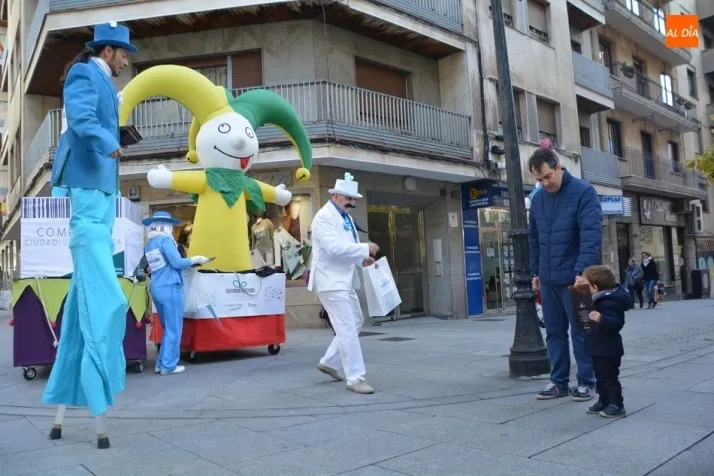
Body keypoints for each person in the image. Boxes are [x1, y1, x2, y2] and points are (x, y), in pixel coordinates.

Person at [41, 22, 136, 450]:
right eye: (124, 54)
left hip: (100, 185)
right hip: (87, 181)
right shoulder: (84, 73)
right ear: (109, 51)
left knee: (88, 301)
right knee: (107, 300)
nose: (127, 61)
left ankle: (70, 398)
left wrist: (113, 138)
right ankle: (97, 386)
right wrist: (106, 140)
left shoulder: (105, 82)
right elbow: (80, 119)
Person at [528, 147, 603, 402]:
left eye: (547, 176)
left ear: (558, 167)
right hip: (548, 279)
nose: (545, 183)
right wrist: (536, 271)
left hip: (576, 279)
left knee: (582, 331)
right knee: (554, 333)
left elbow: (591, 235)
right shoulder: (538, 199)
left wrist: (583, 272)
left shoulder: (584, 192)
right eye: (539, 180)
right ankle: (558, 382)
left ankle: (587, 382)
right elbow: (534, 238)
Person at [307, 172, 379, 394]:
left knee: (355, 321)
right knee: (347, 326)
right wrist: (365, 248)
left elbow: (346, 247)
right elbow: (334, 249)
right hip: (330, 281)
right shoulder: (323, 217)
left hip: (344, 280)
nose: (352, 203)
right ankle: (355, 378)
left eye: (354, 199)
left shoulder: (344, 216)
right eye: (349, 198)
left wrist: (361, 259)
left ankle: (329, 362)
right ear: (336, 195)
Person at [143, 211, 209, 375]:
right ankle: (168, 365)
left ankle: (161, 363)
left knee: (168, 328)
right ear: (166, 226)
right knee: (174, 328)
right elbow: (177, 263)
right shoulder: (166, 241)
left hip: (157, 287)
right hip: (170, 287)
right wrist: (196, 259)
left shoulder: (150, 244)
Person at [581, 265, 631, 418]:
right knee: (600, 378)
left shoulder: (609, 302)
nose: (583, 287)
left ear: (595, 288)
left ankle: (616, 404)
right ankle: (603, 401)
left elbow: (617, 323)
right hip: (596, 347)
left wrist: (602, 319)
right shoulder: (593, 300)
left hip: (609, 349)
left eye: (585, 285)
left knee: (610, 378)